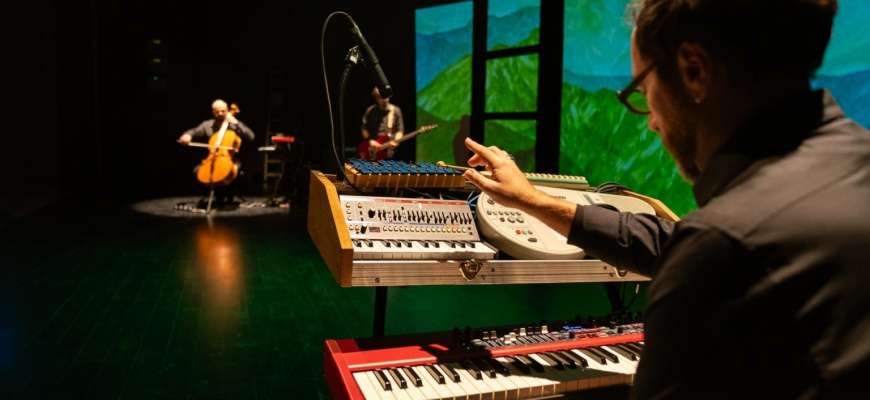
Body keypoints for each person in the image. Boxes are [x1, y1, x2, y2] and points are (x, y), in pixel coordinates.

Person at [463, 0, 870, 398]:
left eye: (642, 87)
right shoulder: (852, 166)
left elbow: (707, 249)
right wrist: (532, 200)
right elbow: (670, 242)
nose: (652, 119)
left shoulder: (722, 251)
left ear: (694, 70)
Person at [178, 99, 256, 206]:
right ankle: (216, 197)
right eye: (216, 111)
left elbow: (251, 136)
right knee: (197, 170)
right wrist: (188, 135)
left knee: (232, 170)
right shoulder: (207, 125)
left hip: (230, 158)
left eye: (223, 111)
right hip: (212, 158)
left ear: (228, 110)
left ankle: (229, 198)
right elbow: (195, 131)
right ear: (212, 112)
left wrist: (236, 123)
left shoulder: (234, 124)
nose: (220, 113)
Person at [360, 87, 404, 160]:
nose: (384, 99)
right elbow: (364, 129)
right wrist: (370, 140)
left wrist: (396, 140)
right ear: (376, 98)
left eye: (385, 96)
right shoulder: (370, 111)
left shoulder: (396, 110)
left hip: (389, 151)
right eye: (380, 97)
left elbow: (400, 130)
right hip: (372, 149)